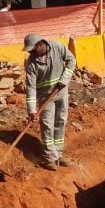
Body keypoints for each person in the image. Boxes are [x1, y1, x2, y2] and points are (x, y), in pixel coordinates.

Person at [22, 33, 76, 171]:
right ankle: (49, 158)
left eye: (33, 50)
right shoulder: (31, 64)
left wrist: (64, 79)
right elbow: (31, 87)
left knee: (60, 122)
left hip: (61, 92)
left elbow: (71, 60)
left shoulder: (57, 47)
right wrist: (32, 110)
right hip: (45, 97)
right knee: (47, 126)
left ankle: (58, 154)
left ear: (41, 44)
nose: (31, 53)